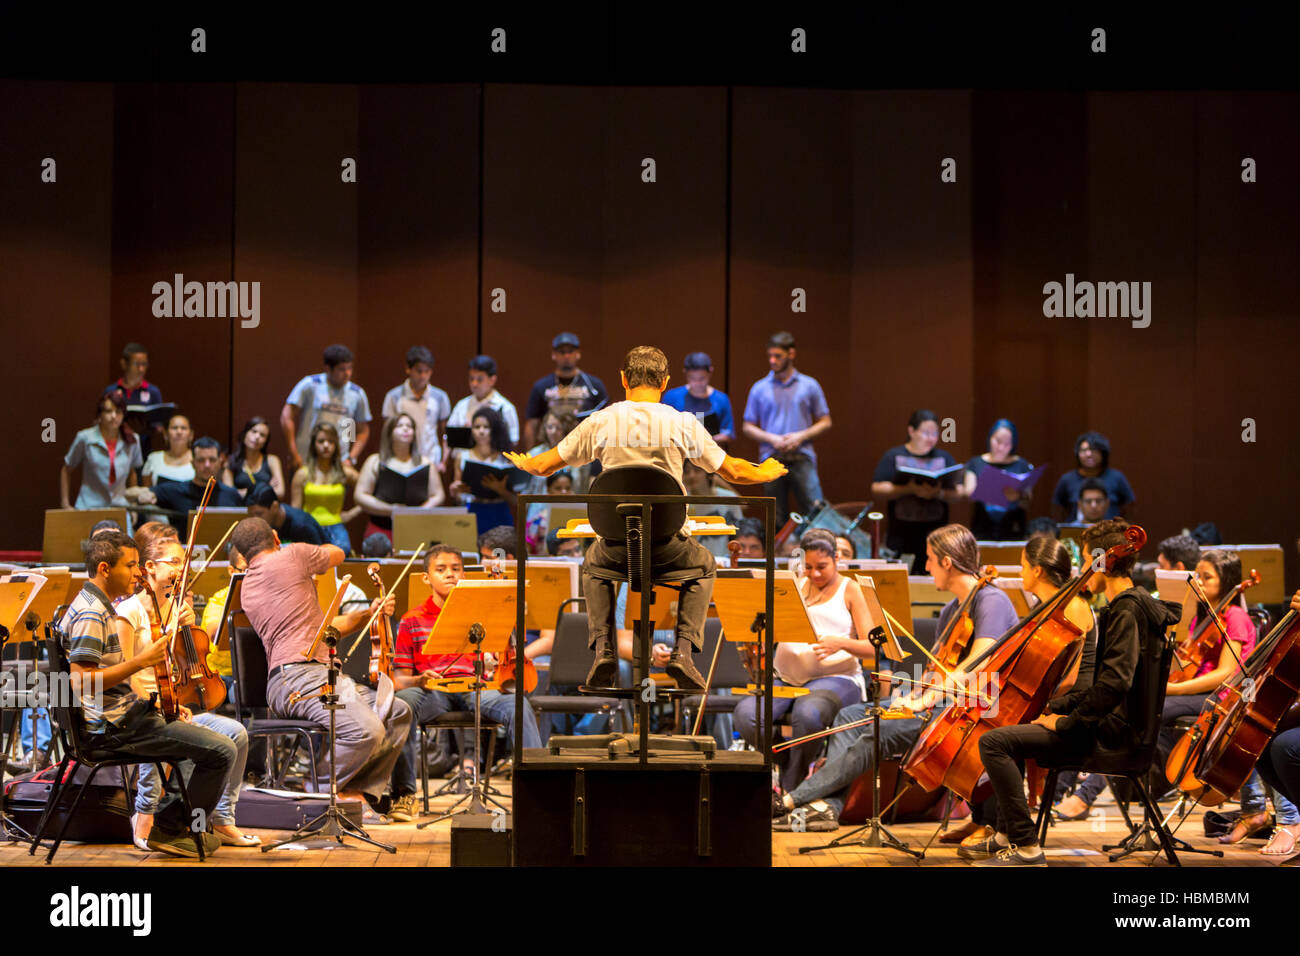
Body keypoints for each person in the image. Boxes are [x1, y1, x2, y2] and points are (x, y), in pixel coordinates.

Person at [506, 345, 787, 691]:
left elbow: (545, 464)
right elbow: (733, 471)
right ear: (666, 382)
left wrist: (525, 462)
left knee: (592, 563)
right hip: (669, 549)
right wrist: (765, 473)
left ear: (623, 380)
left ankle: (604, 650)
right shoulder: (682, 422)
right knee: (704, 565)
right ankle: (683, 653)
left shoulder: (600, 420)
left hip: (616, 549)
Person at [771, 524, 1023, 830]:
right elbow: (934, 670)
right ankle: (828, 809)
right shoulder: (951, 610)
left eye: (930, 559)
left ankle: (791, 800)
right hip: (941, 705)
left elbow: (977, 663)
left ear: (946, 562)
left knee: (874, 732)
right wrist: (912, 695)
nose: (927, 566)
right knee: (850, 716)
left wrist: (928, 697)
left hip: (969, 712)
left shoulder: (991, 600)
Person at [972, 518, 1180, 866]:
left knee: (994, 743)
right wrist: (1057, 707)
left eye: (1086, 559)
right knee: (1020, 730)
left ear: (1103, 561)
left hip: (1115, 738)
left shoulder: (1127, 610)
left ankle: (1025, 847)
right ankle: (1007, 835)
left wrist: (1067, 723)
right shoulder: (1130, 604)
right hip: (1116, 729)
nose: (1083, 569)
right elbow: (1099, 684)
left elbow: (1114, 685)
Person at [1054, 549, 1298, 842]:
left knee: (1145, 711)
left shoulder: (1235, 617)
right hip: (1196, 691)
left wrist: (1174, 688)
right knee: (1135, 708)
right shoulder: (1203, 616)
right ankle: (1076, 784)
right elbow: (1190, 664)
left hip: (1218, 695)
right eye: (1199, 576)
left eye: (1208, 577)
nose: (1201, 583)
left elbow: (1225, 674)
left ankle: (1087, 791)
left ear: (1227, 580)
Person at [60, 530, 235, 859]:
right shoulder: (92, 614)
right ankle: (174, 828)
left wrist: (156, 705)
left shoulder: (93, 605)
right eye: (131, 565)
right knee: (221, 750)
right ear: (104, 569)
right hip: (114, 729)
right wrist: (141, 661)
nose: (139, 573)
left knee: (201, 740)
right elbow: (81, 682)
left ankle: (179, 827)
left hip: (121, 719)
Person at [231, 517, 411, 820]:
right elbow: (338, 551)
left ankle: (354, 791)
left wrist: (368, 613)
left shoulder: (250, 582)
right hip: (297, 676)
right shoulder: (292, 555)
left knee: (397, 711)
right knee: (367, 729)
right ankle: (318, 787)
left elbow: (328, 628)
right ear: (276, 537)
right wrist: (299, 551)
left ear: (242, 554)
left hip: (306, 676)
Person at [114, 523, 259, 849]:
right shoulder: (129, 612)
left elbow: (180, 667)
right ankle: (145, 814)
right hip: (141, 712)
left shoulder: (175, 610)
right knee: (165, 733)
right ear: (149, 567)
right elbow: (125, 677)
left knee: (237, 734)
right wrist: (158, 706)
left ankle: (221, 819)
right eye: (175, 562)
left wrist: (185, 630)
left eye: (184, 562)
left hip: (171, 706)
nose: (183, 569)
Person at [389, 545, 543, 818]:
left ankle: (538, 792)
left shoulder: (479, 615)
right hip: (432, 690)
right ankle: (404, 794)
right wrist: (419, 679)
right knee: (400, 705)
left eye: (456, 569)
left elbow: (499, 655)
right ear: (427, 578)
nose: (450, 574)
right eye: (441, 569)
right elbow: (399, 678)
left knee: (517, 705)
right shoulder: (412, 619)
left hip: (474, 686)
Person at [734, 529, 878, 793]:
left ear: (836, 559)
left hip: (838, 678)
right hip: (787, 677)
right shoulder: (795, 585)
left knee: (808, 713)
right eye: (809, 567)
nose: (815, 574)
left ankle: (792, 786)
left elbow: (874, 647)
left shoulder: (851, 589)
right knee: (746, 715)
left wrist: (841, 642)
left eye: (822, 567)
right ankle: (788, 762)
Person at [741, 331, 832, 529]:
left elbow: (826, 421)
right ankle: (776, 558)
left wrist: (801, 435)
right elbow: (747, 426)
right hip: (772, 457)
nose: (772, 360)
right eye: (770, 356)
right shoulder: (760, 388)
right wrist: (772, 439)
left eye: (778, 356)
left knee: (816, 511)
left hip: (802, 455)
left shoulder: (809, 385)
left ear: (791, 354)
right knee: (775, 516)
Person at [871, 410, 965, 573]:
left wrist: (938, 493)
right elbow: (877, 488)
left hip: (935, 532)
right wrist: (909, 489)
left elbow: (959, 492)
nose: (931, 438)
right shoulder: (894, 455)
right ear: (911, 431)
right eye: (926, 433)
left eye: (935, 433)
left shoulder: (944, 457)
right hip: (901, 532)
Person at [281, 344, 372, 471]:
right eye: (341, 369)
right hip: (306, 458)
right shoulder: (311, 384)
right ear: (328, 368)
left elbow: (363, 430)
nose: (347, 373)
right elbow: (287, 416)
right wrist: (293, 452)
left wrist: (351, 457)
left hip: (339, 462)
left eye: (349, 368)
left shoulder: (356, 393)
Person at [355, 413, 445, 540]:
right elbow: (360, 496)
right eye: (400, 425)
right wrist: (391, 509)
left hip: (416, 528)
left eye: (409, 426)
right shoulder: (375, 461)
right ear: (390, 432)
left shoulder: (425, 462)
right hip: (381, 528)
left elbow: (438, 495)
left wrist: (418, 511)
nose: (405, 429)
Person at [131, 437, 241, 531]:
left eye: (212, 460)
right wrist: (145, 496)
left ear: (219, 462)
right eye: (201, 460)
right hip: (184, 552)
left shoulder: (231, 494)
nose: (207, 465)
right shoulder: (175, 490)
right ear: (193, 463)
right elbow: (131, 493)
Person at [522, 332, 609, 450]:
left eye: (570, 351)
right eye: (562, 352)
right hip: (551, 448)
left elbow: (606, 423)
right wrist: (529, 456)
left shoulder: (594, 386)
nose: (566, 356)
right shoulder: (541, 386)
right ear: (554, 355)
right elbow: (532, 424)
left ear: (578, 354)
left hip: (585, 449)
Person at [61, 391, 143, 510]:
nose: (114, 416)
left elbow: (133, 472)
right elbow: (66, 469)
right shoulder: (85, 438)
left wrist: (134, 506)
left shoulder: (132, 440)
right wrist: (65, 504)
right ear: (100, 414)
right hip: (89, 506)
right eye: (109, 411)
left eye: (118, 412)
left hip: (119, 506)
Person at [290, 422, 361, 552]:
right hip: (309, 527)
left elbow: (368, 492)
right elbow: (295, 512)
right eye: (321, 441)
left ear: (336, 445)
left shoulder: (345, 472)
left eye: (331, 441)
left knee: (342, 553)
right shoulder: (302, 474)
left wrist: (351, 514)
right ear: (313, 444)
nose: (326, 445)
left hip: (336, 527)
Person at [449, 406, 519, 533]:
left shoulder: (506, 458)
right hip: (473, 510)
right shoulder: (462, 456)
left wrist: (500, 489)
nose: (481, 431)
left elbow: (516, 501)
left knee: (501, 552)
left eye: (486, 427)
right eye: (477, 427)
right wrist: (456, 490)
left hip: (500, 511)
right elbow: (458, 496)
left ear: (495, 430)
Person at [380, 345, 452, 470]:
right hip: (401, 461)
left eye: (427, 371)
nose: (423, 376)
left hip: (430, 459)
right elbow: (388, 432)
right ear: (408, 369)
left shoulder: (440, 397)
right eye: (419, 371)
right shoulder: (394, 396)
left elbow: (446, 433)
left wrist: (444, 461)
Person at [963, 418, 1034, 540]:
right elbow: (969, 492)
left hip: (1013, 525)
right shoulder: (976, 463)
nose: (1001, 447)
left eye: (1007, 444)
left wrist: (1019, 496)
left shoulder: (1022, 464)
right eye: (998, 441)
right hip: (983, 525)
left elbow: (1027, 501)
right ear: (990, 438)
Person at [1051, 431, 1135, 523]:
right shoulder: (1067, 479)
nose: (1088, 454)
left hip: (1110, 531)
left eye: (1094, 450)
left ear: (1103, 453)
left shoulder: (1117, 477)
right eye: (1083, 450)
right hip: (1075, 532)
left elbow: (1129, 508)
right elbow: (1057, 511)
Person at [661, 351, 735, 445]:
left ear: (710, 373)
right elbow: (663, 430)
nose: (697, 383)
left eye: (701, 378)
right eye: (692, 378)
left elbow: (728, 433)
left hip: (710, 455)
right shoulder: (671, 397)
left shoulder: (721, 399)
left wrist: (704, 439)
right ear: (685, 373)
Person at [104, 342, 165, 454]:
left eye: (144, 364)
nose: (141, 369)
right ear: (124, 364)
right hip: (116, 448)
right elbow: (103, 421)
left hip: (144, 448)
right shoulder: (111, 391)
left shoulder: (153, 392)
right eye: (137, 364)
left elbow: (159, 426)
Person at [447, 354, 520, 447]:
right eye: (471, 379)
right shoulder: (462, 405)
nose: (474, 384)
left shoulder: (506, 408)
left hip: (494, 460)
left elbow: (513, 441)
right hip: (465, 458)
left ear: (492, 380)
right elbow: (449, 438)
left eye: (479, 379)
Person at [682, 460, 744, 560]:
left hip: (724, 560)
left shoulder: (728, 498)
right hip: (693, 561)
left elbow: (741, 533)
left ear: (709, 473)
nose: (691, 476)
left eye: (697, 471)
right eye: (687, 472)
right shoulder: (682, 502)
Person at [223, 417, 285, 500]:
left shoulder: (272, 460)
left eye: (262, 435)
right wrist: (267, 489)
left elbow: (280, 492)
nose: (257, 437)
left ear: (265, 442)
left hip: (265, 510)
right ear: (245, 433)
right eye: (254, 431)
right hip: (239, 510)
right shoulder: (231, 461)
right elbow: (228, 494)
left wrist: (242, 492)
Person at [246, 483, 327, 545]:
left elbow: (320, 560)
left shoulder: (301, 526)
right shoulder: (266, 525)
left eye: (259, 514)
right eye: (250, 514)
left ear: (274, 507)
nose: (255, 520)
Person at [140, 413, 194, 487]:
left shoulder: (198, 459)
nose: (179, 432)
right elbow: (146, 491)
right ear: (166, 433)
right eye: (174, 428)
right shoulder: (154, 458)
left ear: (191, 435)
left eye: (183, 428)